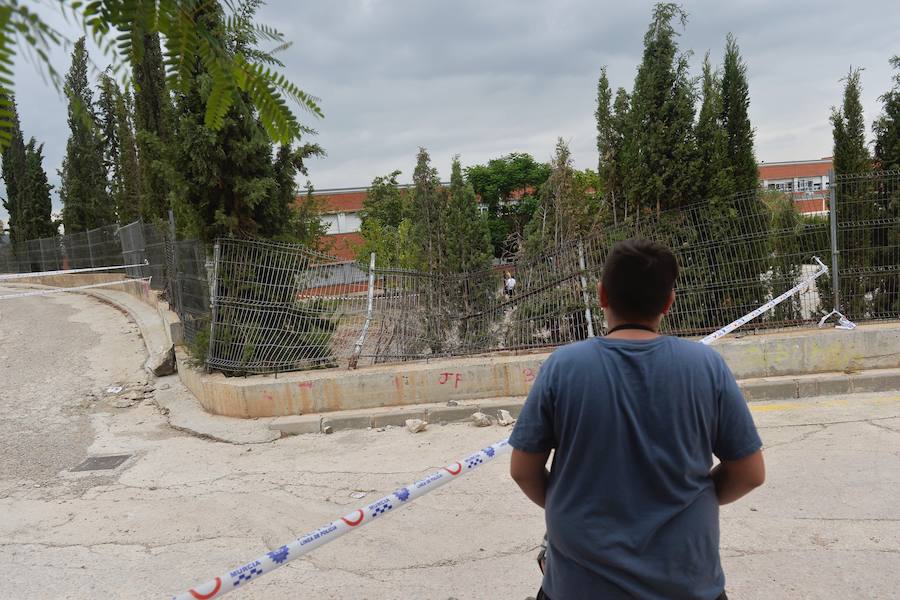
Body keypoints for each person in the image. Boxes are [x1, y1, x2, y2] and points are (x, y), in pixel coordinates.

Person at [509, 239, 765, 600]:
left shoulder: (563, 368)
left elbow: (523, 470)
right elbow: (750, 472)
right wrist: (690, 501)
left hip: (579, 587)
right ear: (668, 302)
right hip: (687, 584)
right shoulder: (705, 367)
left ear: (601, 295)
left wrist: (571, 509)